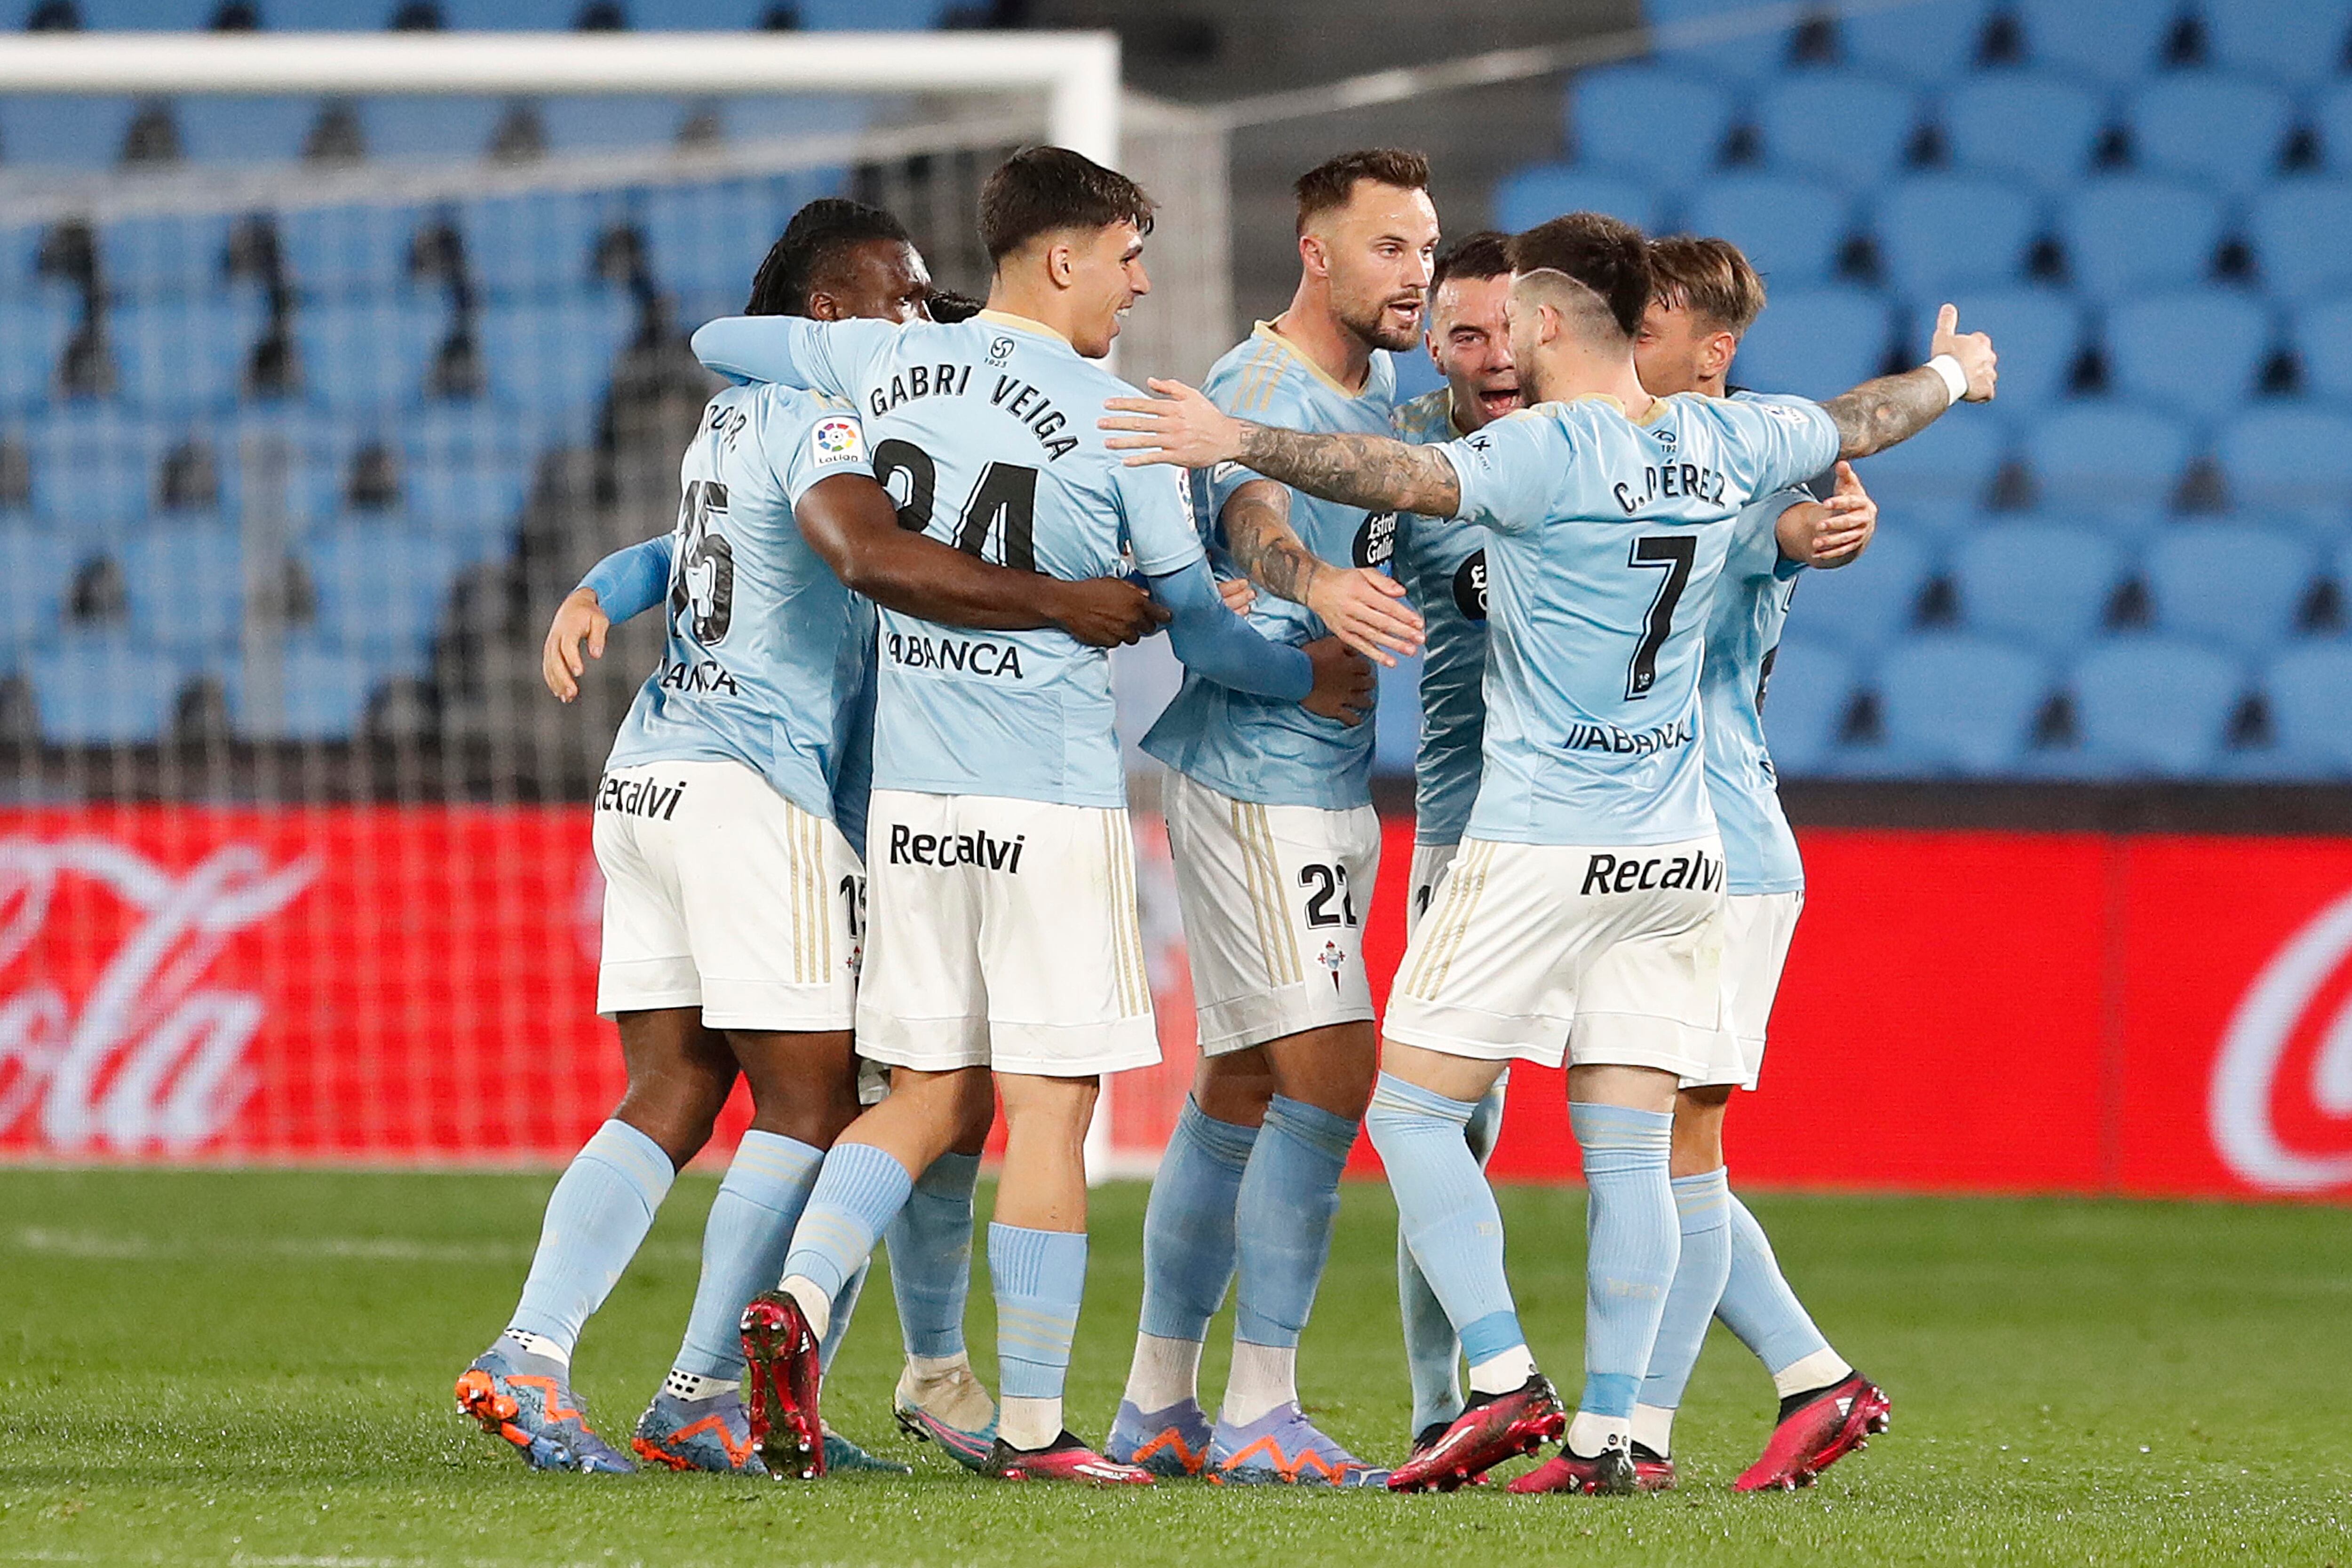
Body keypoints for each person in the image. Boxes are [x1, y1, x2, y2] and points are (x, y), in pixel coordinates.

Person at [1100, 209, 1994, 1495]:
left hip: (1534, 844)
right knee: (1631, 1148)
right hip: (1676, 851)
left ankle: (1506, 1377)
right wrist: (1956, 377)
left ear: (1557, 320)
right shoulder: (1730, 436)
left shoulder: (1542, 453)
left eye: (1513, 312)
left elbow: (1392, 482)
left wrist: (1233, 438)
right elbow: (1859, 422)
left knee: (1410, 1107)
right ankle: (1611, 1435)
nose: (1499, 335)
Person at [690, 146, 1372, 1484]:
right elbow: (1196, 640)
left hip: (914, 805)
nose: (1139, 283)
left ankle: (804, 1304)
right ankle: (1036, 1427)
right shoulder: (1121, 418)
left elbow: (720, 336)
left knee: (929, 1090)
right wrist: (1310, 671)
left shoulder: (873, 364)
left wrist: (942, 341)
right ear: (1062, 258)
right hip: (1049, 802)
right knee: (1049, 1111)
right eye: (1125, 256)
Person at [456, 198, 1165, 1479]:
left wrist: (595, 588)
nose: (922, 316)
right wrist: (1063, 602)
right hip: (753, 795)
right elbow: (857, 548)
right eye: (902, 297)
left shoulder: (732, 414)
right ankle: (699, 1391)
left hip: (652, 776)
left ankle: (534, 1351)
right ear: (829, 312)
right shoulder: (820, 415)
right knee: (815, 1103)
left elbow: (688, 550)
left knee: (673, 1092)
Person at [1106, 148, 1435, 1489]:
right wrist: (1313, 585)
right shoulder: (1252, 389)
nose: (1414, 273)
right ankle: (1260, 1409)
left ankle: (1155, 1404)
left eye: (1426, 248)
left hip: (1321, 778)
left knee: (1238, 1086)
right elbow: (1249, 518)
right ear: (1316, 252)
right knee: (1333, 1076)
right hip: (1256, 776)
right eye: (1390, 250)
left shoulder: (1392, 395)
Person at [1620, 235, 1892, 1494]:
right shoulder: (1637, 461)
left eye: (1652, 324)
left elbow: (1795, 524)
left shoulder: (1737, 477)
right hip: (1656, 849)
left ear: (1712, 353)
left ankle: (1638, 1433)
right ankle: (1809, 1379)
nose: (1630, 338)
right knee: (1650, 1142)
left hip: (1724, 851)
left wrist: (1825, 525)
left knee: (1675, 1141)